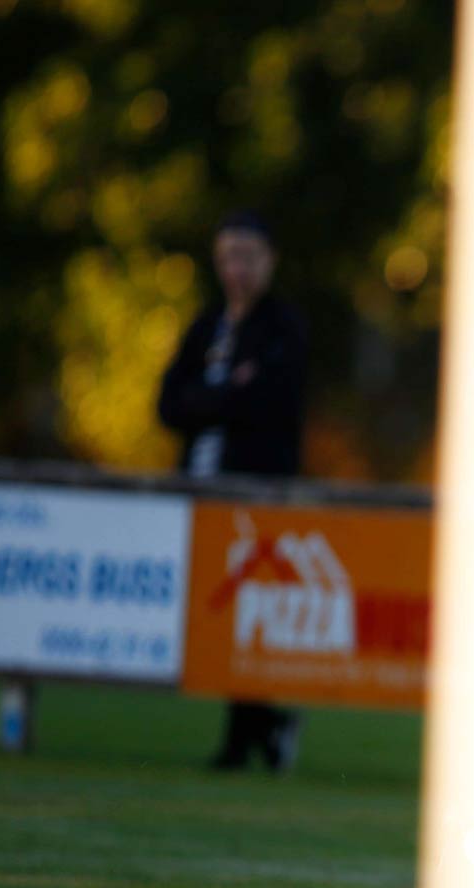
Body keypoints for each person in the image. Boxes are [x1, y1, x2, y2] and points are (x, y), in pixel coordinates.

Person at [157, 211, 307, 771]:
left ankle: (242, 742)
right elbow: (168, 404)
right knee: (209, 617)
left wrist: (210, 398)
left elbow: (272, 402)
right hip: (198, 491)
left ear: (268, 261)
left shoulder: (283, 329)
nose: (235, 269)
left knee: (242, 613)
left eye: (246, 256)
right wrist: (223, 394)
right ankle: (269, 726)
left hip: (254, 495)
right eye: (226, 257)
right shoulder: (206, 327)